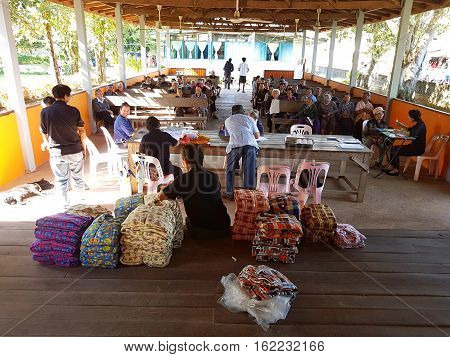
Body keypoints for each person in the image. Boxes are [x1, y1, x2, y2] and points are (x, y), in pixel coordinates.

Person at [157, 144, 231, 239]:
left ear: (185, 161)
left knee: (186, 218)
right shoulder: (213, 176)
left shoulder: (183, 180)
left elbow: (161, 197)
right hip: (224, 227)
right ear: (202, 159)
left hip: (201, 231)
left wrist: (170, 186)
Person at [40, 84, 87, 206]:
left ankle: (66, 206)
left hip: (57, 153)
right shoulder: (74, 110)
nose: (70, 98)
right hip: (75, 150)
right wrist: (84, 150)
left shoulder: (45, 112)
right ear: (66, 96)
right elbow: (82, 131)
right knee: (78, 178)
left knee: (61, 181)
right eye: (69, 95)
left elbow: (43, 132)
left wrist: (47, 144)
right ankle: (81, 204)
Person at [224, 105, 260, 199]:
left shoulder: (228, 120)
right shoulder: (249, 119)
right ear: (243, 112)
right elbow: (257, 136)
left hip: (235, 145)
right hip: (250, 144)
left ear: (232, 113)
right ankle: (249, 194)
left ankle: (230, 193)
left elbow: (227, 134)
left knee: (230, 169)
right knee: (249, 170)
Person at [385, 110, 427, 176]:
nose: (408, 117)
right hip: (413, 146)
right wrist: (401, 125)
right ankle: (392, 166)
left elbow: (412, 134)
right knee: (394, 148)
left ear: (412, 118)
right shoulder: (418, 124)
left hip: (417, 149)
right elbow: (410, 130)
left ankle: (396, 170)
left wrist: (399, 132)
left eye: (409, 116)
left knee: (396, 150)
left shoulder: (420, 126)